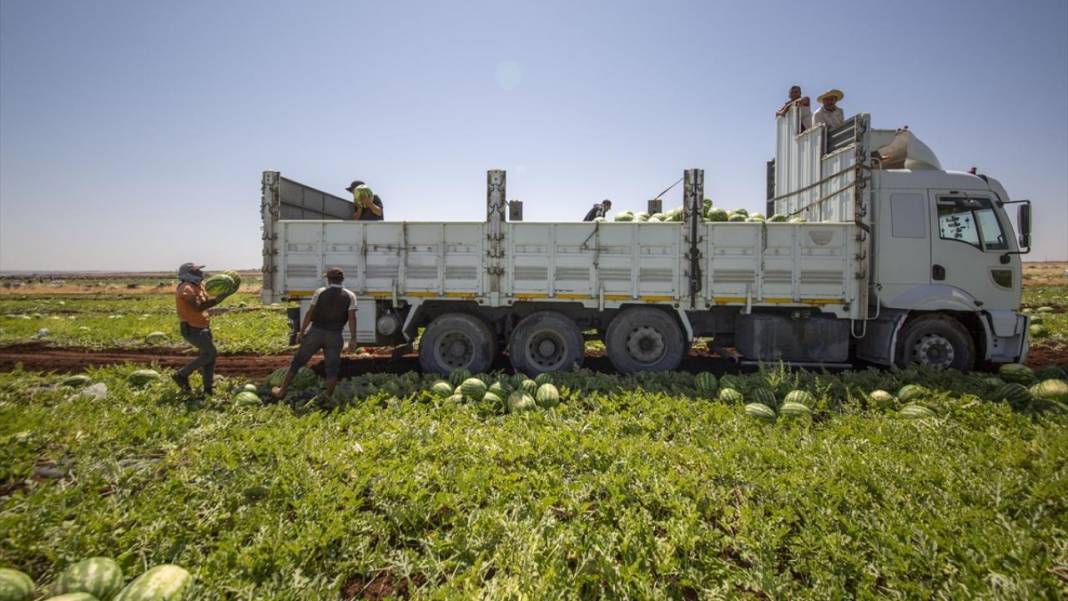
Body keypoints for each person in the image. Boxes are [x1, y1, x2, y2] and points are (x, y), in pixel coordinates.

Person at [271, 267, 357, 400]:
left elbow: (309, 314)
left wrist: (301, 332)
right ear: (342, 280)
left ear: (328, 279)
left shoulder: (320, 292)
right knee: (332, 370)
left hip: (315, 333)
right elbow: (352, 318)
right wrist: (353, 338)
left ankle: (282, 391)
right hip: (335, 335)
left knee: (298, 362)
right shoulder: (350, 295)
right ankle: (327, 398)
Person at [173, 262, 227, 396]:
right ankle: (182, 374)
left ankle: (208, 389)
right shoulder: (186, 288)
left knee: (209, 358)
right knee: (210, 354)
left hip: (203, 327)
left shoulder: (199, 286)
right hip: (192, 329)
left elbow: (205, 302)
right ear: (187, 274)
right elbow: (197, 307)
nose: (200, 273)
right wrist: (219, 299)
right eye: (197, 271)